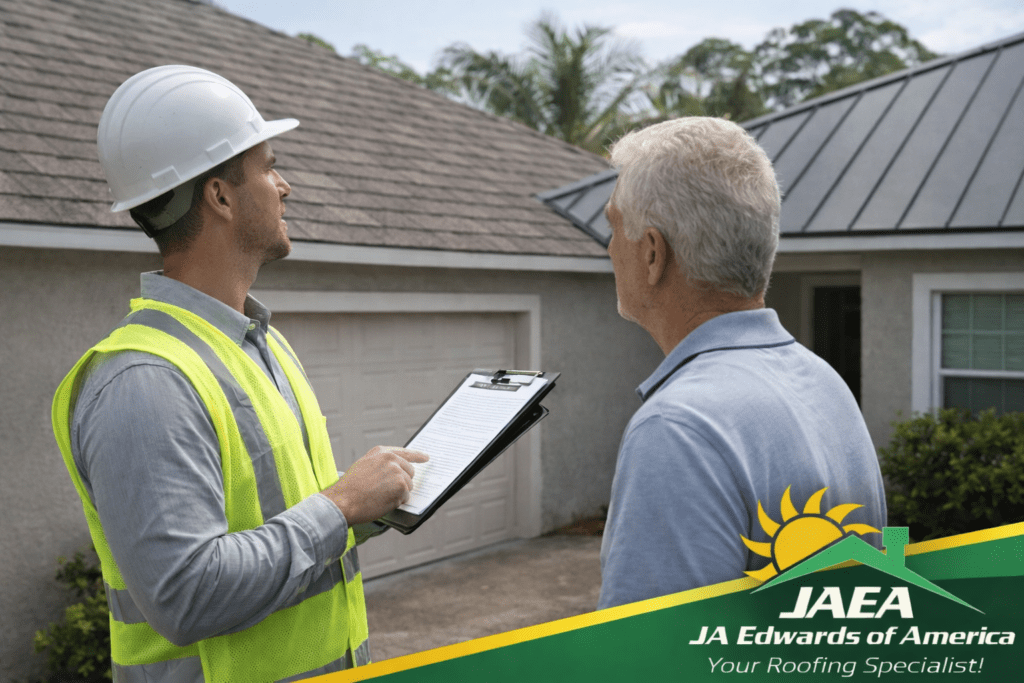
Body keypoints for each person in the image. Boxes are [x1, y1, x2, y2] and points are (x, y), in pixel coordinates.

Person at [51, 65, 428, 681]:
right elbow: (188, 595)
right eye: (268, 166)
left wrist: (370, 505)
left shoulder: (263, 344)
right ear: (220, 196)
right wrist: (340, 504)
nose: (285, 186)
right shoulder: (145, 381)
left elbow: (290, 531)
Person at [597, 117, 886, 609]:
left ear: (652, 254)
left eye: (614, 226)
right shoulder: (824, 384)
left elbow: (649, 660)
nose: (607, 247)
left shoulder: (679, 428)